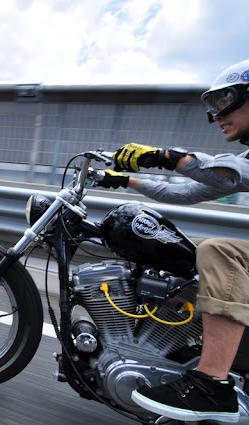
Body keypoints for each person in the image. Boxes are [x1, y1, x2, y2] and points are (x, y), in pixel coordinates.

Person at [97, 59, 249, 423]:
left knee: (217, 253)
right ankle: (166, 345)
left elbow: (229, 173)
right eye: (213, 106)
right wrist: (123, 180)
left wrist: (164, 156)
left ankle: (211, 385)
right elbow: (184, 192)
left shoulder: (238, 166)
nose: (216, 116)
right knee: (178, 247)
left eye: (225, 101)